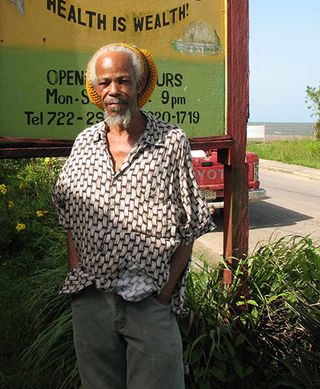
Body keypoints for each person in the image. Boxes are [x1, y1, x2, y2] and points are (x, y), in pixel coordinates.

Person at [53, 43, 216, 389]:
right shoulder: (84, 143)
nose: (114, 90)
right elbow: (69, 217)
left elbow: (190, 226)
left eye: (123, 81)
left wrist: (164, 293)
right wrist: (78, 281)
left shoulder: (170, 142)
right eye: (105, 82)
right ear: (96, 90)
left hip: (149, 303)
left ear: (139, 85)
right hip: (93, 302)